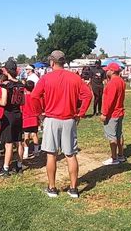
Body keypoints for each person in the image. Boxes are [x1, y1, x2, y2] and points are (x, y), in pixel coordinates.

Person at [31, 50, 92, 198]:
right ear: (64, 62)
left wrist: (39, 113)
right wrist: (80, 113)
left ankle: (52, 188)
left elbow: (34, 96)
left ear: (52, 62)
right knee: (71, 154)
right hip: (69, 119)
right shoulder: (74, 78)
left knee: (51, 155)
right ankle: (73, 188)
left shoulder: (46, 78)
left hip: (51, 119)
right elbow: (88, 95)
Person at [0, 60, 25, 176]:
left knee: (8, 143)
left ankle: (6, 168)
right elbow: (23, 101)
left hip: (8, 115)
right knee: (18, 141)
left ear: (6, 71)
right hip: (18, 114)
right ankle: (19, 165)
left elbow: (3, 102)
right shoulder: (21, 84)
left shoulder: (5, 85)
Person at [100, 62, 126, 165]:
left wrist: (104, 113)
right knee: (119, 134)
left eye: (108, 70)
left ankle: (114, 158)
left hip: (112, 114)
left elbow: (109, 100)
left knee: (112, 137)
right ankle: (121, 155)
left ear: (113, 71)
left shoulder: (112, 83)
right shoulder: (121, 81)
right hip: (119, 112)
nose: (106, 71)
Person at [22, 80, 40, 157]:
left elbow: (21, 108)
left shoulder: (23, 98)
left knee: (26, 136)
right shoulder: (35, 97)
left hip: (26, 118)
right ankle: (36, 151)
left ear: (25, 88)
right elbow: (38, 107)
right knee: (34, 134)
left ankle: (26, 153)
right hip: (34, 118)